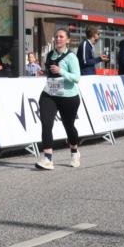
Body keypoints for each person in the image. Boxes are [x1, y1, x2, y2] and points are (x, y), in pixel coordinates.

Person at [35, 28, 82, 170]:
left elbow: (76, 78)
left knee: (69, 127)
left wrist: (61, 71)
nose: (58, 39)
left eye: (61, 37)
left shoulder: (71, 57)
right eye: (56, 37)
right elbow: (51, 72)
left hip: (68, 97)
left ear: (67, 40)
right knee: (46, 124)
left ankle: (74, 152)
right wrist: (44, 72)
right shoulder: (50, 54)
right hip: (49, 94)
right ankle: (47, 158)